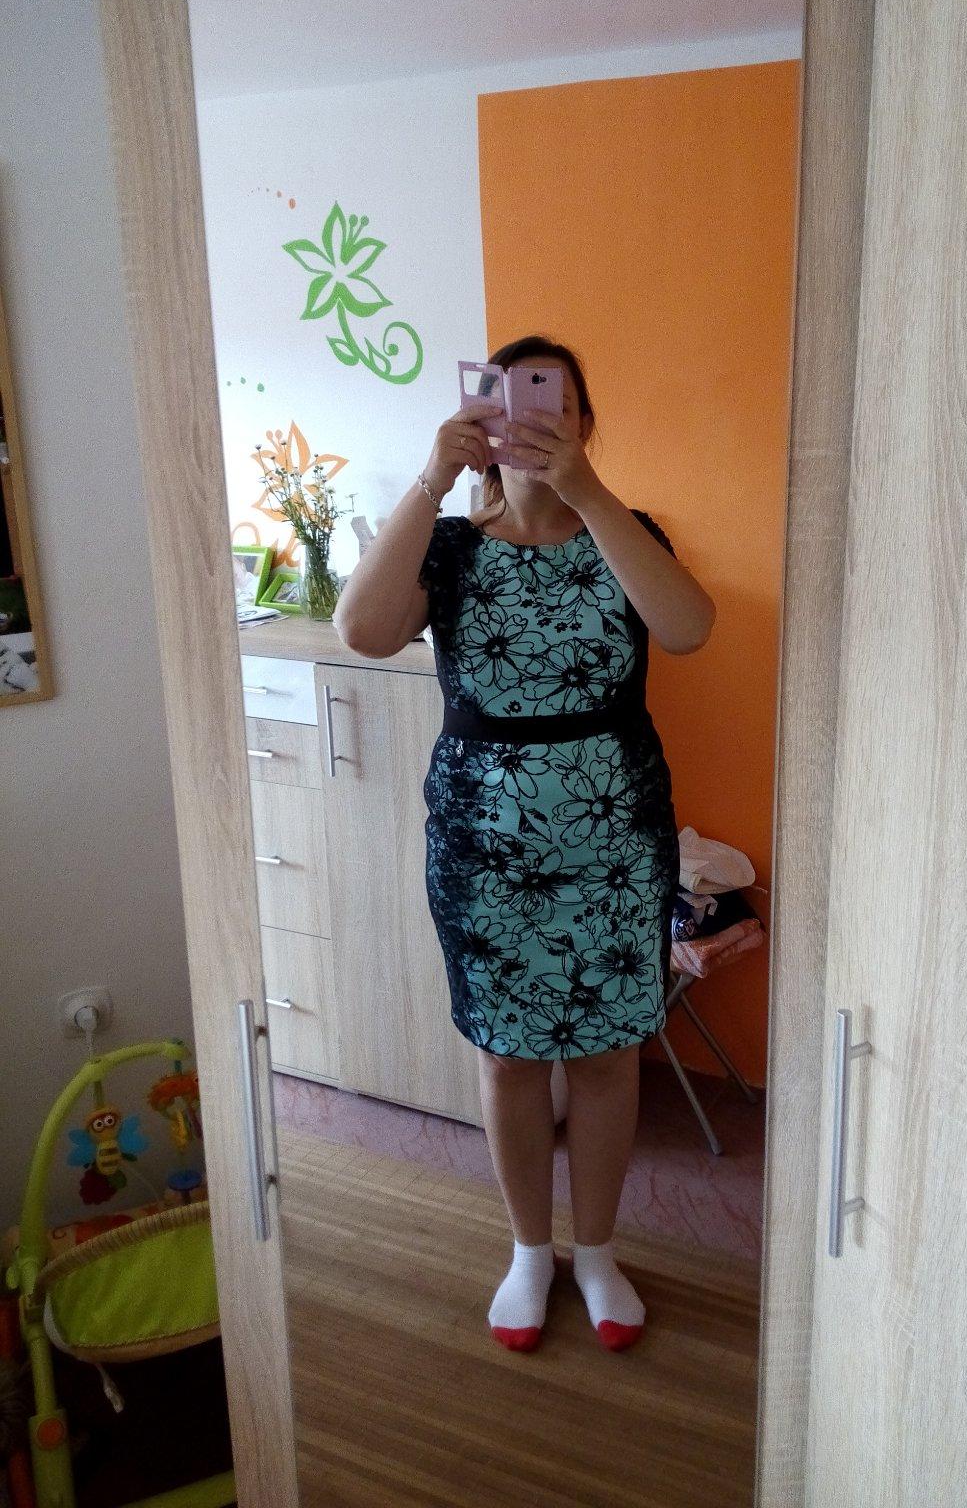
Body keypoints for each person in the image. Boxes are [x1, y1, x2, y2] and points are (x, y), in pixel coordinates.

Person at [334, 334, 716, 1351]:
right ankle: (529, 1252)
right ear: (478, 414)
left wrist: (587, 492)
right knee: (506, 1059)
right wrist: (433, 477)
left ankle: (597, 1252)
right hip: (482, 847)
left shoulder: (628, 532)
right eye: (504, 398)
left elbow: (688, 627)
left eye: (555, 400)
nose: (532, 416)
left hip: (615, 844)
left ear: (585, 421)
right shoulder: (450, 548)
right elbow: (361, 630)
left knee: (606, 1057)